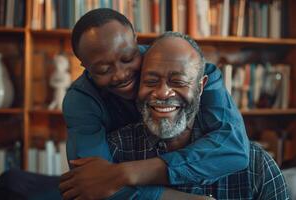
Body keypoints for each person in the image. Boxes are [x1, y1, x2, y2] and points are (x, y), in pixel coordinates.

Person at [60, 8, 249, 199]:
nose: (121, 74)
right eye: (103, 69)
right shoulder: (80, 102)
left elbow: (234, 148)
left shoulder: (188, 66)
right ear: (84, 65)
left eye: (128, 58)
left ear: (135, 40)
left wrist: (124, 173)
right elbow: (92, 184)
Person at [103, 32, 289, 199]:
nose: (162, 93)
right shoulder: (114, 151)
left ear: (201, 87)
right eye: (151, 81)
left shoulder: (255, 167)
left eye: (178, 82)